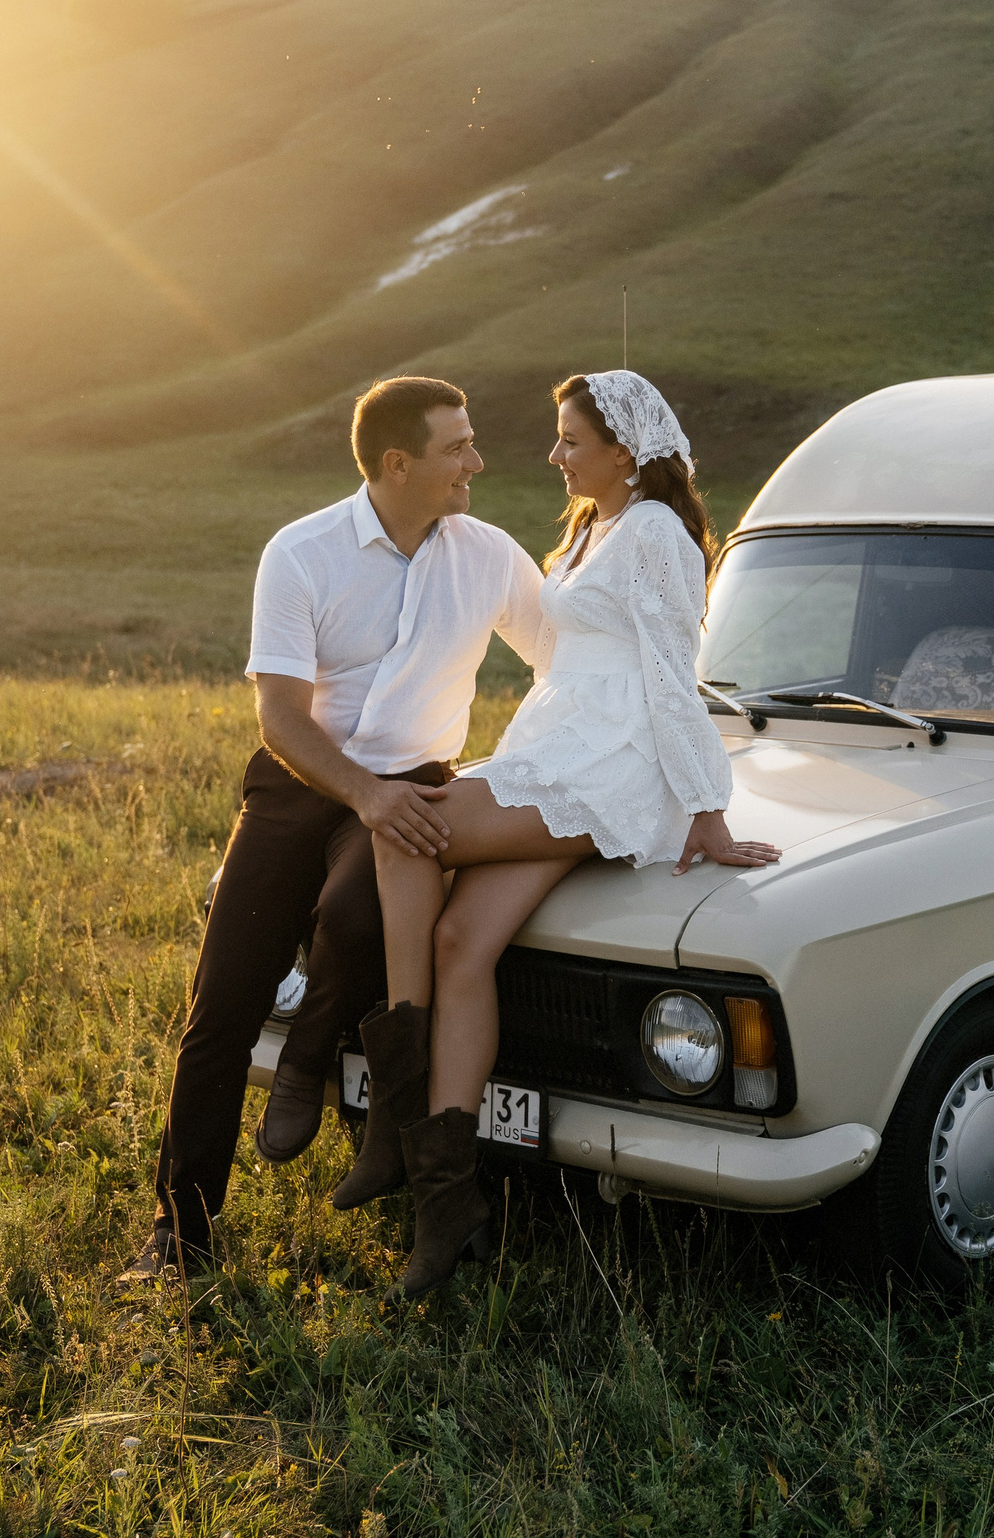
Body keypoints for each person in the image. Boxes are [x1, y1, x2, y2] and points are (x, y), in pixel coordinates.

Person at [362, 370, 780, 1298]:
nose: (553, 454)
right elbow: (568, 653)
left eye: (570, 441)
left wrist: (707, 813)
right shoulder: (592, 527)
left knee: (403, 826)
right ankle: (450, 1203)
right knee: (461, 939)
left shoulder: (660, 536)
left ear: (625, 452)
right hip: (556, 749)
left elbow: (675, 674)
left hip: (612, 763)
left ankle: (395, 1114)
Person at [122, 375, 544, 1284]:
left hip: (417, 786)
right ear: (399, 464)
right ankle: (180, 1235)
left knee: (355, 916)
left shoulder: (490, 556)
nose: (477, 460)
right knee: (222, 1004)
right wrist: (364, 794)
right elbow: (281, 717)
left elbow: (572, 664)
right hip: (300, 783)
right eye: (457, 447)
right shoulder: (302, 553)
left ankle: (310, 1055)